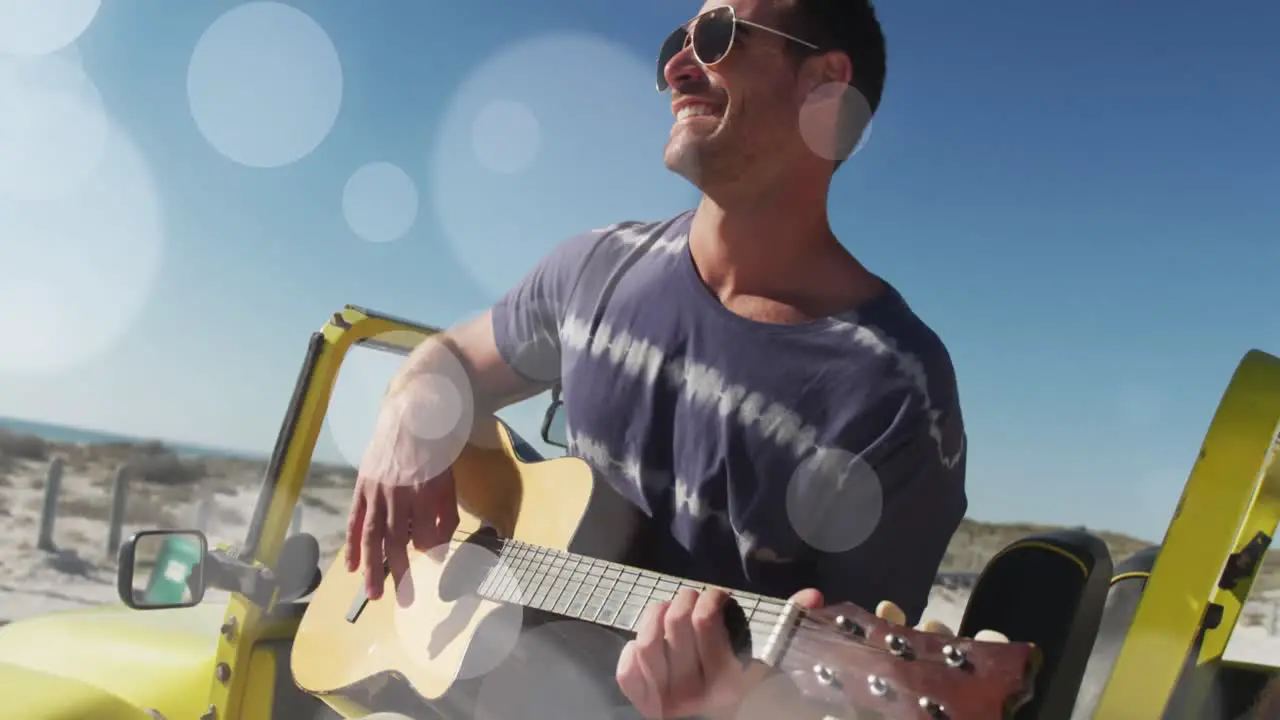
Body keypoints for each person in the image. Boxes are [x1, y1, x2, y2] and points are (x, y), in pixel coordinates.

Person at [345, 0, 970, 717]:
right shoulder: (595, 268)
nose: (675, 66)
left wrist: (725, 709)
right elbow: (449, 360)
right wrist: (410, 414)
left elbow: (859, 696)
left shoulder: (894, 392)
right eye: (677, 40)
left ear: (825, 85)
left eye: (715, 37)